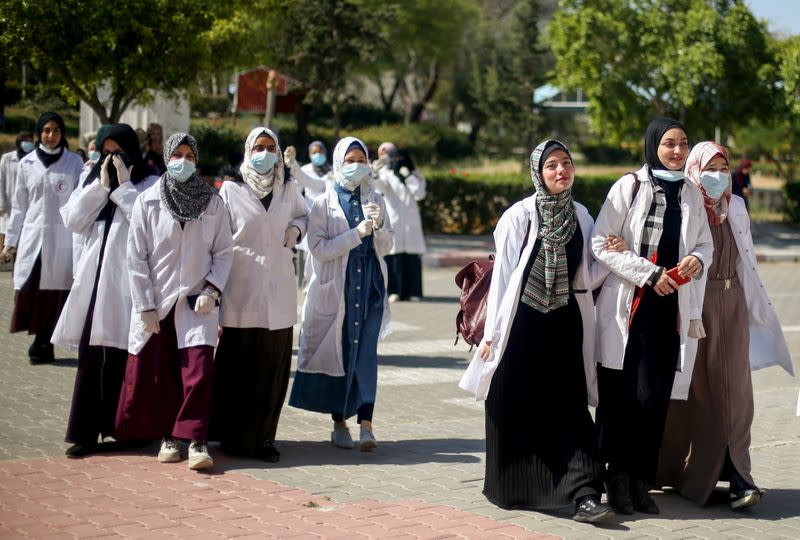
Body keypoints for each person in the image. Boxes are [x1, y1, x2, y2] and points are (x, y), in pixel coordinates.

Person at [459, 140, 621, 523]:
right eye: (552, 165)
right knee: (514, 402)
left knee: (571, 408)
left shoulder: (581, 215)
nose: (561, 171)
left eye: (566, 163)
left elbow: (586, 275)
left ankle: (583, 493)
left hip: (566, 324)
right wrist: (491, 338)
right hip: (521, 326)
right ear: (537, 172)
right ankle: (517, 487)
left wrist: (612, 256)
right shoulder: (518, 216)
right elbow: (503, 280)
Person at [657, 142, 794, 509]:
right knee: (697, 394)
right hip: (694, 308)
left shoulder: (735, 205)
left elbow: (745, 257)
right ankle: (684, 473)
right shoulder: (683, 205)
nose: (718, 176)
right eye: (709, 168)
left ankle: (739, 477)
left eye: (723, 167)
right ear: (694, 170)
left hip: (732, 305)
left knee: (736, 395)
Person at [591, 118, 713, 515]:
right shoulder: (629, 186)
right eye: (668, 144)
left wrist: (695, 258)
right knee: (622, 397)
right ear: (652, 147)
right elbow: (600, 243)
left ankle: (642, 479)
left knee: (654, 398)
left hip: (670, 309)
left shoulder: (692, 193)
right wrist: (650, 273)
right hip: (630, 307)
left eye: (682, 143)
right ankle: (617, 478)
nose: (677, 151)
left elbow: (703, 244)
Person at [114, 132, 233, 470]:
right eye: (177, 154)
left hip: (199, 300)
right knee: (164, 373)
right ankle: (169, 436)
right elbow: (136, 257)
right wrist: (145, 306)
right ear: (167, 157)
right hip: (160, 300)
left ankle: (196, 440)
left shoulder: (213, 201)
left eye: (190, 155)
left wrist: (213, 289)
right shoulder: (147, 201)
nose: (184, 160)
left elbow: (224, 251)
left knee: (198, 370)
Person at [52, 124, 160, 457]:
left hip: (131, 288)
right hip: (96, 287)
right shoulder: (92, 181)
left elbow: (150, 224)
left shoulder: (150, 183)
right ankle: (85, 433)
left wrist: (124, 186)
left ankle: (128, 430)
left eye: (119, 152)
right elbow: (72, 219)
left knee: (128, 361)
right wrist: (102, 187)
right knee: (93, 361)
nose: (112, 159)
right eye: (106, 151)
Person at [210, 127, 308, 462]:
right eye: (258, 147)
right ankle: (231, 437)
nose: (265, 154)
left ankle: (264, 438)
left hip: (279, 291)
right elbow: (217, 237)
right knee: (238, 368)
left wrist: (297, 229)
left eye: (270, 148)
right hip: (241, 288)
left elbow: (303, 215)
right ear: (247, 151)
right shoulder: (230, 190)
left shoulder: (289, 186)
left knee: (271, 370)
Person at [289, 137, 393, 451]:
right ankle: (339, 423)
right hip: (340, 285)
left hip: (370, 285)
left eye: (361, 159)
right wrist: (356, 233)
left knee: (366, 354)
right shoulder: (323, 202)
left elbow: (387, 248)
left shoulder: (375, 197)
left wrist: (379, 226)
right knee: (342, 352)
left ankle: (367, 425)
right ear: (338, 163)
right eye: (350, 160)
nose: (356, 165)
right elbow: (318, 250)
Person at [1, 112, 84, 364]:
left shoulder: (74, 163)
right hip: (33, 237)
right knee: (32, 292)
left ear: (62, 134)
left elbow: (81, 201)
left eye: (56, 130)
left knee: (55, 296)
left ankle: (45, 343)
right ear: (40, 133)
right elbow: (18, 207)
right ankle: (39, 340)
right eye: (46, 130)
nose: (51, 135)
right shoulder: (27, 164)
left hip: (63, 239)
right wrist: (10, 243)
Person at [374, 142, 426, 301]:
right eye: (383, 153)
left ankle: (414, 292)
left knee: (411, 257)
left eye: (390, 153)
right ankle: (394, 290)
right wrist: (375, 175)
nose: (388, 156)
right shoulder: (384, 173)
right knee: (394, 256)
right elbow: (380, 189)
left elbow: (419, 194)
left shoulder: (414, 174)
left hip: (410, 222)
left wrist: (408, 176)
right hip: (394, 220)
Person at [286, 140, 331, 287]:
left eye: (320, 151)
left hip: (329, 217)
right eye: (314, 152)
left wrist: (294, 167)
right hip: (309, 215)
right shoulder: (304, 169)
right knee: (308, 253)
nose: (318, 155)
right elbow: (296, 190)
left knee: (323, 252)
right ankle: (308, 282)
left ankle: (319, 281)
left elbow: (316, 183)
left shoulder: (332, 172)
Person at [0, 131, 34, 251]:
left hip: (28, 203)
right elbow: (1, 181)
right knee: (10, 236)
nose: (28, 144)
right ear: (19, 142)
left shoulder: (34, 159)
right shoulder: (7, 158)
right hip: (9, 204)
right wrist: (2, 203)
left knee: (25, 240)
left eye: (30, 141)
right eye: (25, 141)